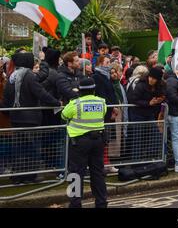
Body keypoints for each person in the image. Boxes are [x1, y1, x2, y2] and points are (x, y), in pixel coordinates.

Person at [3, 53, 60, 183]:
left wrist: (9, 113)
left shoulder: (12, 76)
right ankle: (30, 176)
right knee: (32, 149)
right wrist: (57, 103)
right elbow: (41, 93)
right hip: (30, 119)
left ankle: (18, 176)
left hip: (16, 118)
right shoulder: (29, 76)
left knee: (18, 149)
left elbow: (6, 98)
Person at [62, 77, 108, 208]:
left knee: (76, 174)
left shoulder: (75, 103)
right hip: (98, 141)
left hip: (79, 143)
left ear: (79, 91)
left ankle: (75, 204)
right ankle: (101, 202)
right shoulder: (101, 102)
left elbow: (64, 115)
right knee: (98, 173)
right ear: (94, 90)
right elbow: (103, 113)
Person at [127, 67, 166, 162]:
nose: (151, 80)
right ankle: (136, 162)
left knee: (156, 135)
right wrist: (148, 103)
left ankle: (150, 158)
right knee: (137, 138)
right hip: (138, 114)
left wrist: (161, 99)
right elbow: (133, 100)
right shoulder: (141, 85)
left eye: (154, 78)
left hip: (149, 114)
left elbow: (161, 94)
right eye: (150, 77)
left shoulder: (158, 86)